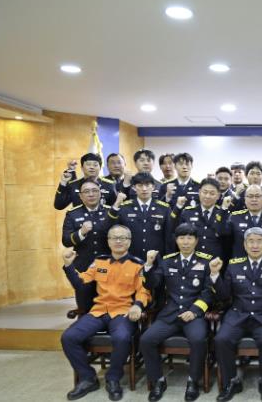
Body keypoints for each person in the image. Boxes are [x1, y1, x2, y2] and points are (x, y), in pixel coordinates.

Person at [60, 225, 150, 401]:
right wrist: (69, 265)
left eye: (123, 238)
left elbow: (143, 291)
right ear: (108, 241)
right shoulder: (99, 262)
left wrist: (138, 305)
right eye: (114, 237)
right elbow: (81, 283)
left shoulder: (137, 265)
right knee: (69, 337)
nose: (118, 241)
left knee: (122, 338)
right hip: (99, 311)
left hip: (123, 312)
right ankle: (88, 378)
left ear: (129, 241)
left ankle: (113, 378)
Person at [140, 224, 218, 402]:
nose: (185, 242)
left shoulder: (206, 261)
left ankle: (193, 381)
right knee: (146, 339)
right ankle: (158, 380)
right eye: (182, 238)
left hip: (194, 315)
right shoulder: (167, 260)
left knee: (198, 340)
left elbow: (208, 292)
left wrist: (194, 311)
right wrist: (149, 265)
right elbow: (152, 284)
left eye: (190, 238)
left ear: (196, 241)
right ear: (176, 240)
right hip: (170, 314)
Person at [212, 228, 262, 402]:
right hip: (237, 315)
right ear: (245, 244)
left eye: (259, 241)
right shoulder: (234, 265)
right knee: (221, 339)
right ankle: (231, 382)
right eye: (251, 241)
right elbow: (224, 296)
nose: (255, 245)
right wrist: (215, 275)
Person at [61, 180, 111, 312]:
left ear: (100, 193)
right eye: (86, 191)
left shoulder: (110, 212)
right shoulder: (73, 214)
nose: (91, 194)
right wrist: (81, 233)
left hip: (108, 266)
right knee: (86, 308)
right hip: (83, 267)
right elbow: (66, 240)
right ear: (81, 196)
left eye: (94, 191)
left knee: (110, 306)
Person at [108, 172, 175, 260]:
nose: (144, 189)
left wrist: (168, 260)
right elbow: (115, 231)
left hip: (157, 259)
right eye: (140, 185)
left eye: (147, 185)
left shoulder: (164, 208)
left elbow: (169, 237)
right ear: (134, 187)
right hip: (131, 259)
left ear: (153, 187)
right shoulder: (125, 208)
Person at [221, 184, 262, 259]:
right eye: (250, 196)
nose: (254, 199)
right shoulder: (235, 218)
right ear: (245, 200)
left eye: (257, 196)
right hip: (240, 264)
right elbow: (227, 245)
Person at [175, 178, 229, 258]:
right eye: (205, 192)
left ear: (218, 196)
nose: (207, 196)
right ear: (199, 192)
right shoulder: (187, 212)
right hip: (193, 259)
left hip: (215, 260)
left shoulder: (223, 213)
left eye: (212, 193)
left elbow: (225, 237)